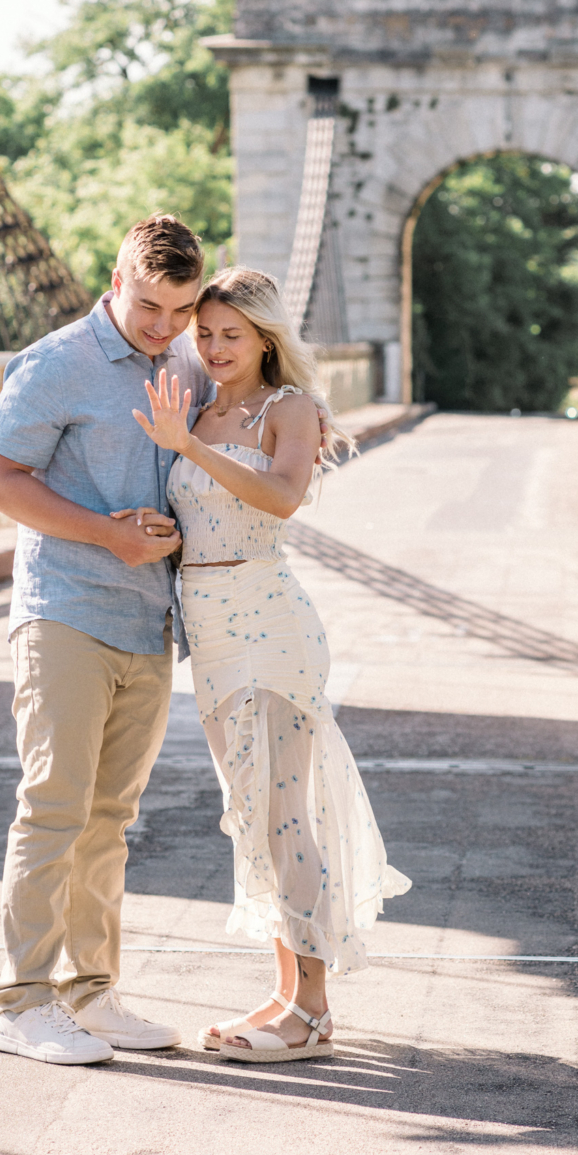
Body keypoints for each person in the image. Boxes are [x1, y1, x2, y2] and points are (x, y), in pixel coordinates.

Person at [132, 266, 411, 1063]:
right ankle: (287, 992)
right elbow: (205, 516)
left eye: (232, 335)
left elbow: (282, 497)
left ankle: (315, 1014)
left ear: (266, 339)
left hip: (269, 625)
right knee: (253, 819)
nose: (215, 348)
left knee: (287, 820)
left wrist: (186, 447)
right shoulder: (198, 404)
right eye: (205, 334)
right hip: (209, 633)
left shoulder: (288, 410)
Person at [0, 214, 211, 1066]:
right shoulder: (55, 363)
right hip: (65, 610)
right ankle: (22, 1000)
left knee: (111, 818)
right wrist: (105, 534)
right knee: (53, 808)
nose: (164, 326)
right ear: (115, 280)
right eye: (150, 305)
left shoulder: (187, 363)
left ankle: (91, 991)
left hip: (149, 621)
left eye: (181, 310)